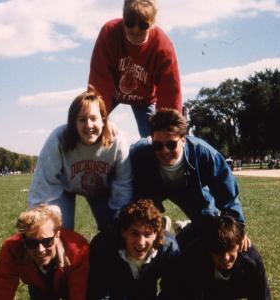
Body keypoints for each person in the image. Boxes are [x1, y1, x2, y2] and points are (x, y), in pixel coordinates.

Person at [130, 108, 250, 249]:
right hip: (156, 188)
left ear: (183, 140)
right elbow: (134, 194)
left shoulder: (204, 154)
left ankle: (184, 228)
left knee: (208, 226)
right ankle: (161, 223)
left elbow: (228, 196)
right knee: (142, 226)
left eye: (171, 144)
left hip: (189, 188)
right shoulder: (140, 153)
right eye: (158, 145)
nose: (165, 151)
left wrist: (238, 228)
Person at [28, 87, 132, 231]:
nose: (88, 125)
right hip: (65, 188)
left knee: (113, 229)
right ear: (73, 123)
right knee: (58, 230)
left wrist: (120, 216)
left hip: (102, 190)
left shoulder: (117, 141)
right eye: (82, 120)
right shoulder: (59, 137)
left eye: (93, 119)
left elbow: (123, 185)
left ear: (103, 119)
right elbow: (44, 180)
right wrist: (39, 221)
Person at [88, 0, 182, 137]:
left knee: (158, 138)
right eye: (130, 22)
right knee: (91, 123)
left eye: (143, 24)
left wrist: (170, 129)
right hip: (111, 92)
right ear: (123, 17)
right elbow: (99, 79)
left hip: (145, 98)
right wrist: (101, 118)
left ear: (153, 23)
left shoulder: (163, 45)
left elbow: (170, 91)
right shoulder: (110, 32)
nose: (136, 29)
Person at [0, 204, 89, 300]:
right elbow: (1, 291)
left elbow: (78, 295)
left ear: (57, 235)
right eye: (32, 243)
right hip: (37, 283)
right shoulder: (12, 250)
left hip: (69, 281)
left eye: (47, 242)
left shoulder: (78, 251)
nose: (41, 250)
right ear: (23, 241)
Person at [87, 199, 180, 300]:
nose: (141, 242)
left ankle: (171, 227)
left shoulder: (169, 249)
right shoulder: (103, 247)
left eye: (147, 234)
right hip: (118, 279)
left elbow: (173, 290)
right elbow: (98, 292)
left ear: (156, 234)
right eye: (135, 233)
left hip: (148, 278)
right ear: (123, 232)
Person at [177, 215, 271, 299]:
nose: (225, 257)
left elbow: (261, 296)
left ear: (239, 243)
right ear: (209, 249)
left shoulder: (251, 261)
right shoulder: (196, 260)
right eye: (218, 251)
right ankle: (185, 228)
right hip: (206, 287)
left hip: (231, 287)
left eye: (230, 249)